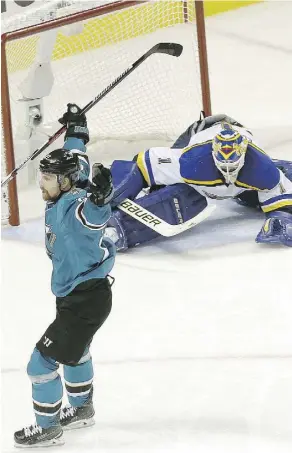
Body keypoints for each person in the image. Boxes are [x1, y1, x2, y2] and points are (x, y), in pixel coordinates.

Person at [14, 104, 116, 447]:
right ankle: (82, 408)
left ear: (65, 181)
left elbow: (94, 216)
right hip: (82, 295)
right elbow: (76, 153)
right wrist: (76, 126)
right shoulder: (69, 178)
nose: (40, 183)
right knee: (77, 350)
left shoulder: (75, 210)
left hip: (85, 300)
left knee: (40, 363)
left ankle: (48, 427)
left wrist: (102, 197)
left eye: (46, 178)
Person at [105, 113, 292, 250]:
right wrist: (115, 190)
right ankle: (117, 228)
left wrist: (280, 217)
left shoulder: (261, 167)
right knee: (185, 199)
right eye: (223, 166)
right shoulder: (192, 161)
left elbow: (280, 199)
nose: (228, 172)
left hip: (235, 133)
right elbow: (143, 163)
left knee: (284, 175)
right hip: (203, 129)